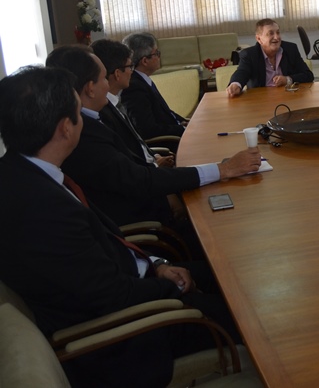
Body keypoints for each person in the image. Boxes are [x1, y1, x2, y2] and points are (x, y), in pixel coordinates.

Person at [0, 66, 243, 387]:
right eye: (78, 112)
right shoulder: (41, 209)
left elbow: (99, 249)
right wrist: (172, 285)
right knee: (247, 312)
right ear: (66, 129)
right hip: (124, 337)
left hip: (128, 287)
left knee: (229, 271)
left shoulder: (22, 173)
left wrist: (156, 266)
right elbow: (109, 295)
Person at [47, 46, 261, 227]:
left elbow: (130, 166)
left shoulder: (97, 117)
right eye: (104, 77)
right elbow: (138, 181)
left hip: (152, 189)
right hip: (152, 219)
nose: (109, 84)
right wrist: (224, 169)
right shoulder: (86, 134)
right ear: (90, 88)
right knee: (230, 219)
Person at [92, 38, 174, 168]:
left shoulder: (115, 102)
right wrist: (155, 165)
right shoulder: (103, 112)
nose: (132, 71)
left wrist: (154, 156)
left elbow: (137, 142)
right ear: (118, 74)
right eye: (130, 66)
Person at [121, 32, 186, 140]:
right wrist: (182, 129)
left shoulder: (142, 79)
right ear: (145, 61)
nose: (159, 57)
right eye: (156, 53)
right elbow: (148, 129)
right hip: (169, 143)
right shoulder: (134, 87)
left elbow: (165, 113)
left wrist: (185, 122)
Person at [226, 18, 314, 97]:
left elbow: (308, 75)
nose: (276, 37)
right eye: (270, 33)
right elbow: (242, 72)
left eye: (278, 32)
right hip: (261, 100)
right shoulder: (250, 54)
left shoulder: (290, 49)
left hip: (288, 97)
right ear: (259, 39)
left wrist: (287, 80)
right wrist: (236, 84)